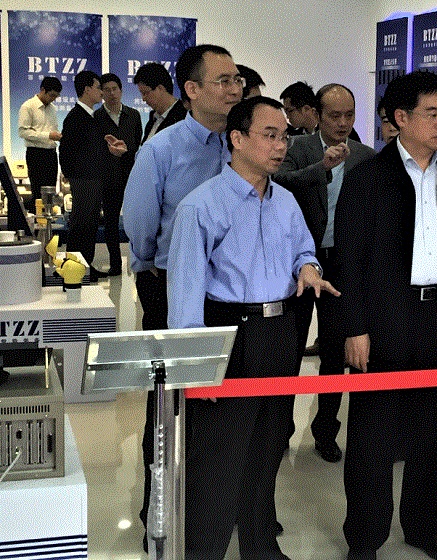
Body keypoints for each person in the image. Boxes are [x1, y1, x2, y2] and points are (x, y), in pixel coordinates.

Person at [168, 96, 338, 559]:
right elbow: (185, 294)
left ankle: (261, 546)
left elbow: (304, 249)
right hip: (231, 333)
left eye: (285, 137)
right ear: (237, 139)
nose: (281, 146)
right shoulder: (201, 206)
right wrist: (196, 367)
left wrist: (307, 267)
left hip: (280, 331)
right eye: (270, 135)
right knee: (219, 457)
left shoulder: (286, 201)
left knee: (268, 446)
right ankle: (204, 550)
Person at [336, 71, 437, 560]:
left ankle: (422, 525)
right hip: (383, 319)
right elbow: (348, 259)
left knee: (432, 435)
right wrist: (354, 327)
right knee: (373, 437)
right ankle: (365, 536)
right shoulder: (367, 178)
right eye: (431, 114)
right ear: (401, 118)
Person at [122, 44, 243, 543]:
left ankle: (219, 513)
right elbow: (139, 225)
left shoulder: (241, 144)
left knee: (225, 409)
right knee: (169, 410)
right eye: (223, 80)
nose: (234, 89)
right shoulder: (162, 150)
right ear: (191, 89)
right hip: (170, 287)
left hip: (231, 294)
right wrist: (156, 272)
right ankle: (159, 518)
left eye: (237, 80)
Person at [274, 83, 375, 463]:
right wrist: (322, 167)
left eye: (349, 115)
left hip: (343, 266)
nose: (343, 123)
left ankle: (326, 432)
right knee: (288, 353)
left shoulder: (365, 156)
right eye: (335, 115)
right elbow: (279, 183)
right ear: (317, 115)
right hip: (298, 264)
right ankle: (279, 431)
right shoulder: (297, 148)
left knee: (334, 355)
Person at [60, 70, 127, 282]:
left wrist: (108, 147)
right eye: (99, 88)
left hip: (92, 179)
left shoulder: (89, 116)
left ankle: (85, 266)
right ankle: (74, 269)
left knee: (88, 225)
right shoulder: (76, 117)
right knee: (81, 225)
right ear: (87, 89)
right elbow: (66, 150)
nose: (102, 92)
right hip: (85, 180)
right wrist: (73, 176)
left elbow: (88, 149)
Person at [94, 73, 142, 276]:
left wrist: (126, 151)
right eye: (107, 90)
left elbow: (137, 144)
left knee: (137, 221)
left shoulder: (134, 115)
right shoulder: (96, 117)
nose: (112, 93)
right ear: (101, 93)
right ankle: (115, 264)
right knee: (111, 223)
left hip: (131, 175)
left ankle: (140, 262)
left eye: (115, 89)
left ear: (121, 91)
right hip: (108, 177)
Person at [18, 76, 62, 212]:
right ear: (43, 90)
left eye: (56, 96)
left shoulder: (53, 108)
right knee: (38, 193)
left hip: (51, 153)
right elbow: (23, 132)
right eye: (52, 95)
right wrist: (48, 135)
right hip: (36, 154)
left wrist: (58, 136)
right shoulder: (28, 106)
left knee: (51, 192)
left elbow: (52, 130)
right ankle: (38, 221)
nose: (53, 99)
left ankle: (49, 218)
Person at [133, 62, 187, 144]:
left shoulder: (184, 118)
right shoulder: (153, 118)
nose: (143, 99)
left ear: (160, 88)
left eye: (145, 93)